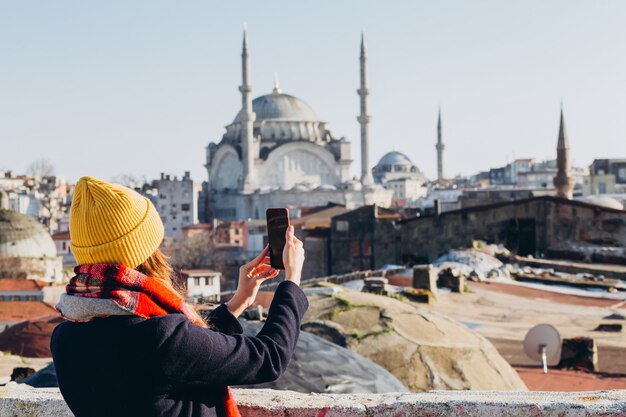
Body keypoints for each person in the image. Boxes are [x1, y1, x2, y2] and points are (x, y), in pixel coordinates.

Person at [51, 176, 307, 417]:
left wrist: (237, 303)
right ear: (145, 252)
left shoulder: (64, 339)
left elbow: (190, 347)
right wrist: (292, 281)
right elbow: (269, 357)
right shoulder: (161, 338)